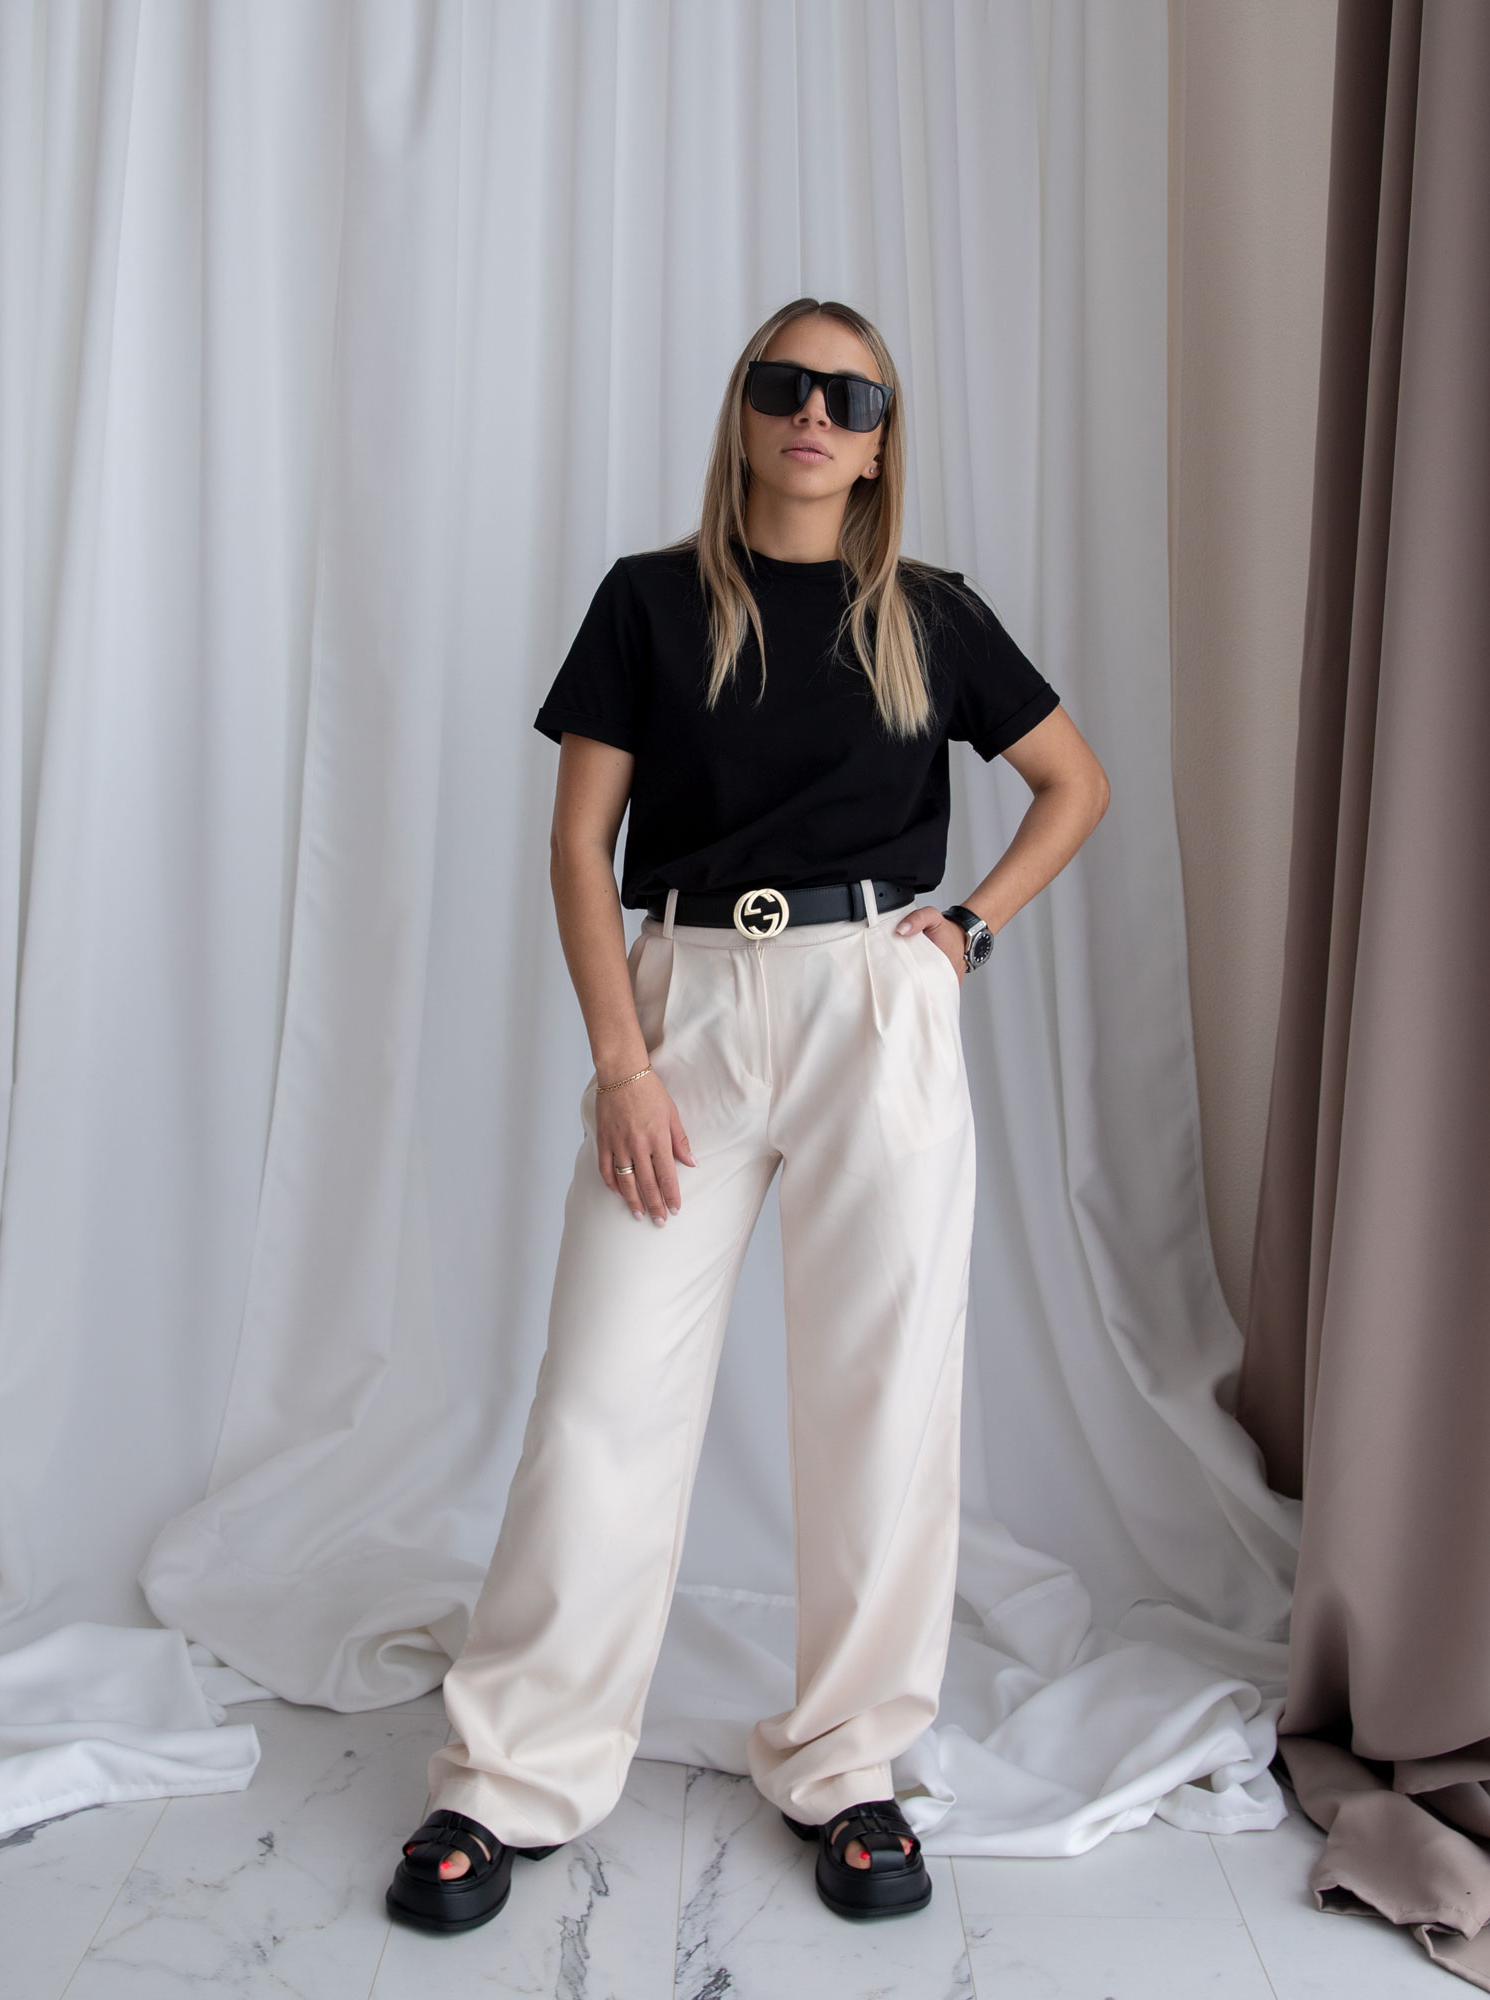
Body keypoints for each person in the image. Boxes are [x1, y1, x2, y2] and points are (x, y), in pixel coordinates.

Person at [386, 296, 1109, 1935]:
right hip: (687, 1010)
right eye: (787, 384)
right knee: (600, 1396)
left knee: (885, 1396)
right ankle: (510, 1776)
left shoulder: (931, 614)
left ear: (883, 440)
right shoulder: (650, 602)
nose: (816, 414)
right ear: (744, 409)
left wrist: (964, 934)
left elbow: (1076, 783)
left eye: (852, 397)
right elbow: (578, 848)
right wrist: (621, 1062)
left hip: (875, 1001)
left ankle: (851, 1767)